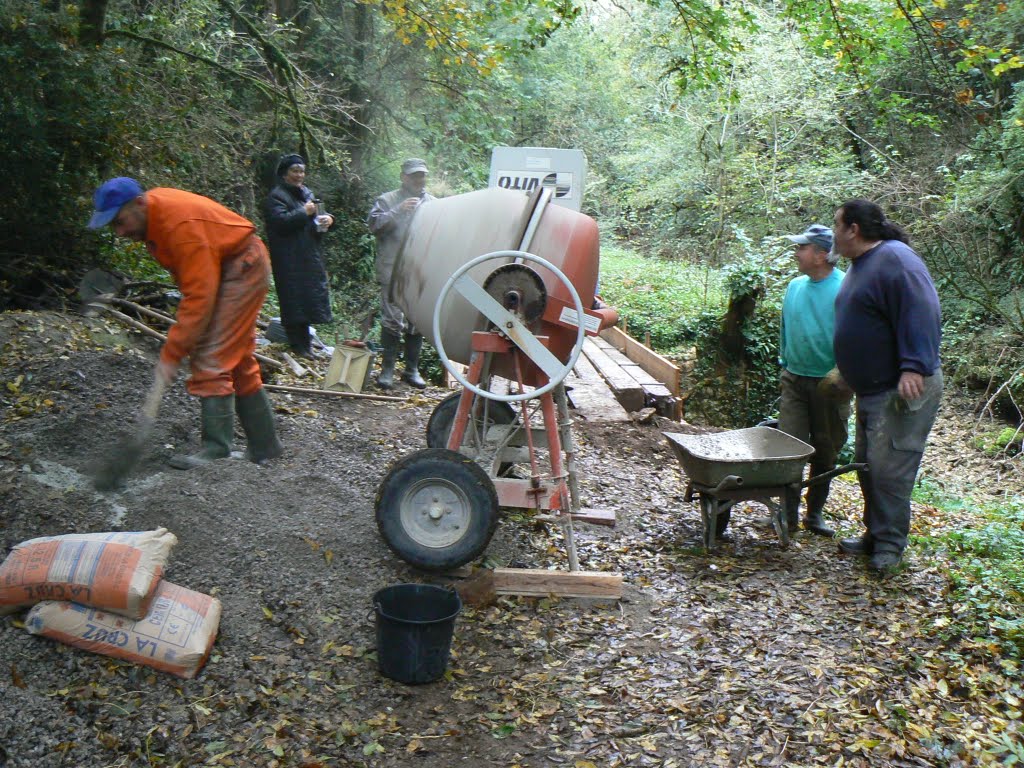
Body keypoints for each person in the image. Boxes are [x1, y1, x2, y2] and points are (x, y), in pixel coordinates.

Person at [87, 177, 284, 469]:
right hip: (231, 263)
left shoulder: (180, 228)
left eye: (120, 221)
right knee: (236, 357)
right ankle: (265, 446)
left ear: (139, 203)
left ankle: (216, 451)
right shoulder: (154, 216)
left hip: (242, 266)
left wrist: (172, 352)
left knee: (210, 355)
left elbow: (199, 297)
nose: (120, 232)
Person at [832, 199, 943, 573]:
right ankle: (875, 535)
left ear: (854, 229)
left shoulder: (897, 259)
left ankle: (891, 546)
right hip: (872, 389)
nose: (833, 233)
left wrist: (914, 366)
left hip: (902, 388)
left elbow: (922, 309)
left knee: (889, 468)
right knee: (867, 465)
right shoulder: (862, 265)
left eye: (837, 225)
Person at [778, 224, 851, 537]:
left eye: (802, 248)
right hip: (794, 378)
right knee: (788, 448)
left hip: (830, 384)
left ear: (822, 254)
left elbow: (857, 336)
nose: (797, 253)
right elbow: (785, 327)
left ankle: (814, 513)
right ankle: (787, 513)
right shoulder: (795, 286)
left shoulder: (846, 288)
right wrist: (785, 362)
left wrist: (845, 375)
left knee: (826, 450)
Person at [366, 158, 436, 389]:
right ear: (403, 177)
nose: (419, 179)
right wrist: (397, 211)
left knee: (416, 321)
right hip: (392, 269)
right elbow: (374, 226)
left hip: (420, 270)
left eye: (421, 175)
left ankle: (411, 370)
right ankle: (387, 370)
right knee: (392, 319)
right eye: (414, 175)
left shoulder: (433, 203)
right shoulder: (387, 200)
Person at [264, 154, 334, 358]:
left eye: (301, 171)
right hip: (288, 257)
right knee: (293, 299)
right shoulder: (276, 197)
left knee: (309, 298)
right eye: (294, 171)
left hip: (309, 254)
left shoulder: (307, 193)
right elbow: (280, 222)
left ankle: (307, 345)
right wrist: (304, 211)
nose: (299, 175)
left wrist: (329, 219)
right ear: (285, 174)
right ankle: (297, 345)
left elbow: (319, 214)